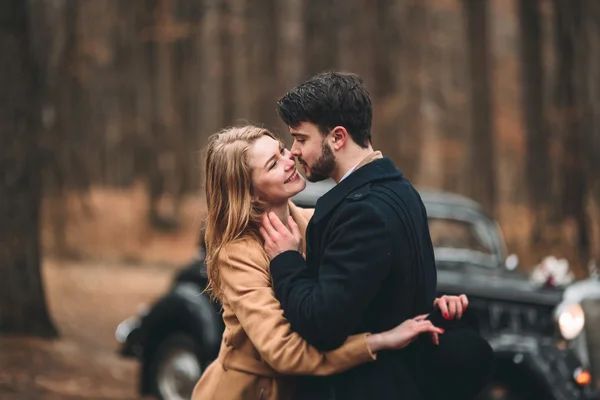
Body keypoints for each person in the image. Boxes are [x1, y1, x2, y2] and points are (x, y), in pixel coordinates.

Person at [191, 125, 468, 400]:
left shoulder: (316, 222)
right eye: (273, 164)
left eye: (283, 150)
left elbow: (348, 296)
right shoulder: (238, 254)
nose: (290, 160)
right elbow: (284, 350)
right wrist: (378, 341)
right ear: (250, 193)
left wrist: (427, 305)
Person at [260, 71, 493, 399]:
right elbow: (390, 299)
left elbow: (323, 325)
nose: (294, 151)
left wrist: (285, 261)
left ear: (337, 138)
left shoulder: (361, 213)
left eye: (301, 138)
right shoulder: (401, 190)